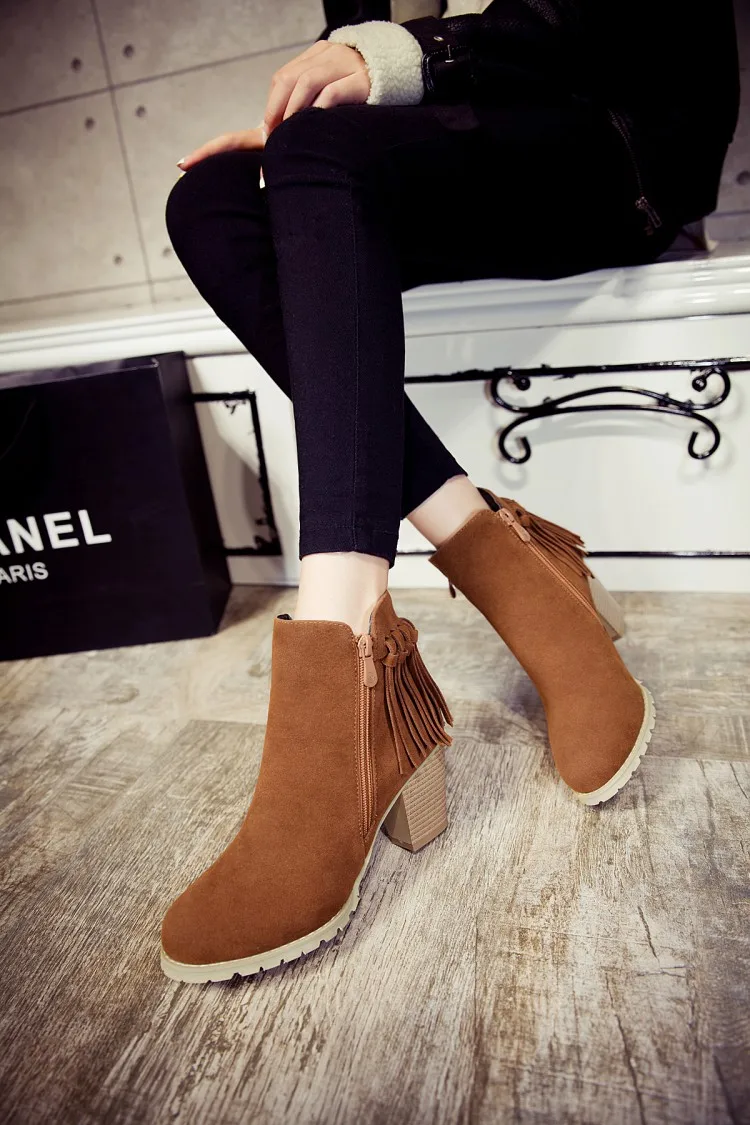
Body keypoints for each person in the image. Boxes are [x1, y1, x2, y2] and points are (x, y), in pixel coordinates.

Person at [159, 1, 740, 984]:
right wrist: (318, 108)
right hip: (453, 151)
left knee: (316, 156)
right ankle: (501, 556)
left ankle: (346, 642)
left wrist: (402, 57)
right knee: (210, 201)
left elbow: (642, 30)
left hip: (614, 149)